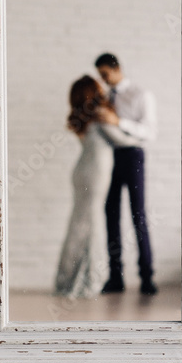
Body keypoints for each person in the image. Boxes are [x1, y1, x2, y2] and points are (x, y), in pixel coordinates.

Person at [54, 76, 138, 299]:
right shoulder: (100, 115)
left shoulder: (81, 117)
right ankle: (89, 279)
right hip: (96, 172)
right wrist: (141, 137)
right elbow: (123, 140)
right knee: (93, 223)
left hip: (82, 170)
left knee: (79, 223)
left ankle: (67, 279)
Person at [94, 53, 158, 296]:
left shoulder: (141, 94)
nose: (103, 79)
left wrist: (117, 121)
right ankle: (115, 277)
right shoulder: (105, 97)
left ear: (116, 68)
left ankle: (147, 277)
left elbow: (150, 132)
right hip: (111, 157)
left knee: (138, 214)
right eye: (100, 76)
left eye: (105, 74)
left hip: (133, 156)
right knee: (110, 213)